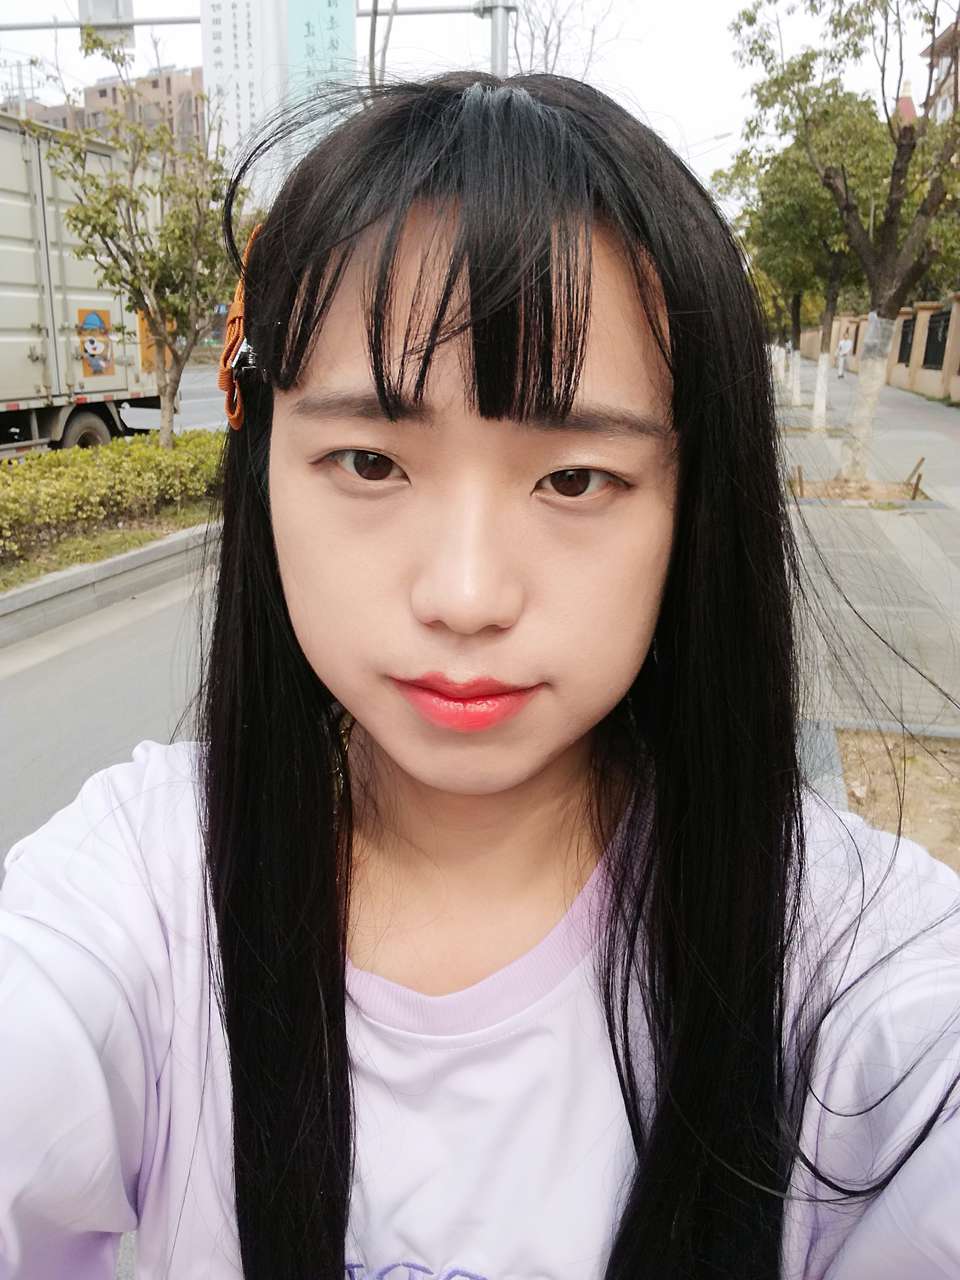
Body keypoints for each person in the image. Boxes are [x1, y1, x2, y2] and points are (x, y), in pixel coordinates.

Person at [1, 73, 959, 1280]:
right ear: (266, 467)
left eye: (574, 479)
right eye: (369, 461)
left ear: (692, 502)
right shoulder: (142, 889)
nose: (464, 594)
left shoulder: (850, 956)